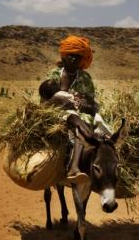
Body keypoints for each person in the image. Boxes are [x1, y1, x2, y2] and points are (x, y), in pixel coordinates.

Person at [41, 35, 112, 185]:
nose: (74, 59)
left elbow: (91, 104)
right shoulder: (54, 75)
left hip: (82, 115)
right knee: (76, 120)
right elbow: (44, 101)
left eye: (78, 57)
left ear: (82, 60)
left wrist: (85, 103)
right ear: (64, 57)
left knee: (84, 120)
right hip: (55, 112)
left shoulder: (85, 78)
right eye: (71, 56)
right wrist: (59, 99)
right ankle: (74, 166)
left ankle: (82, 165)